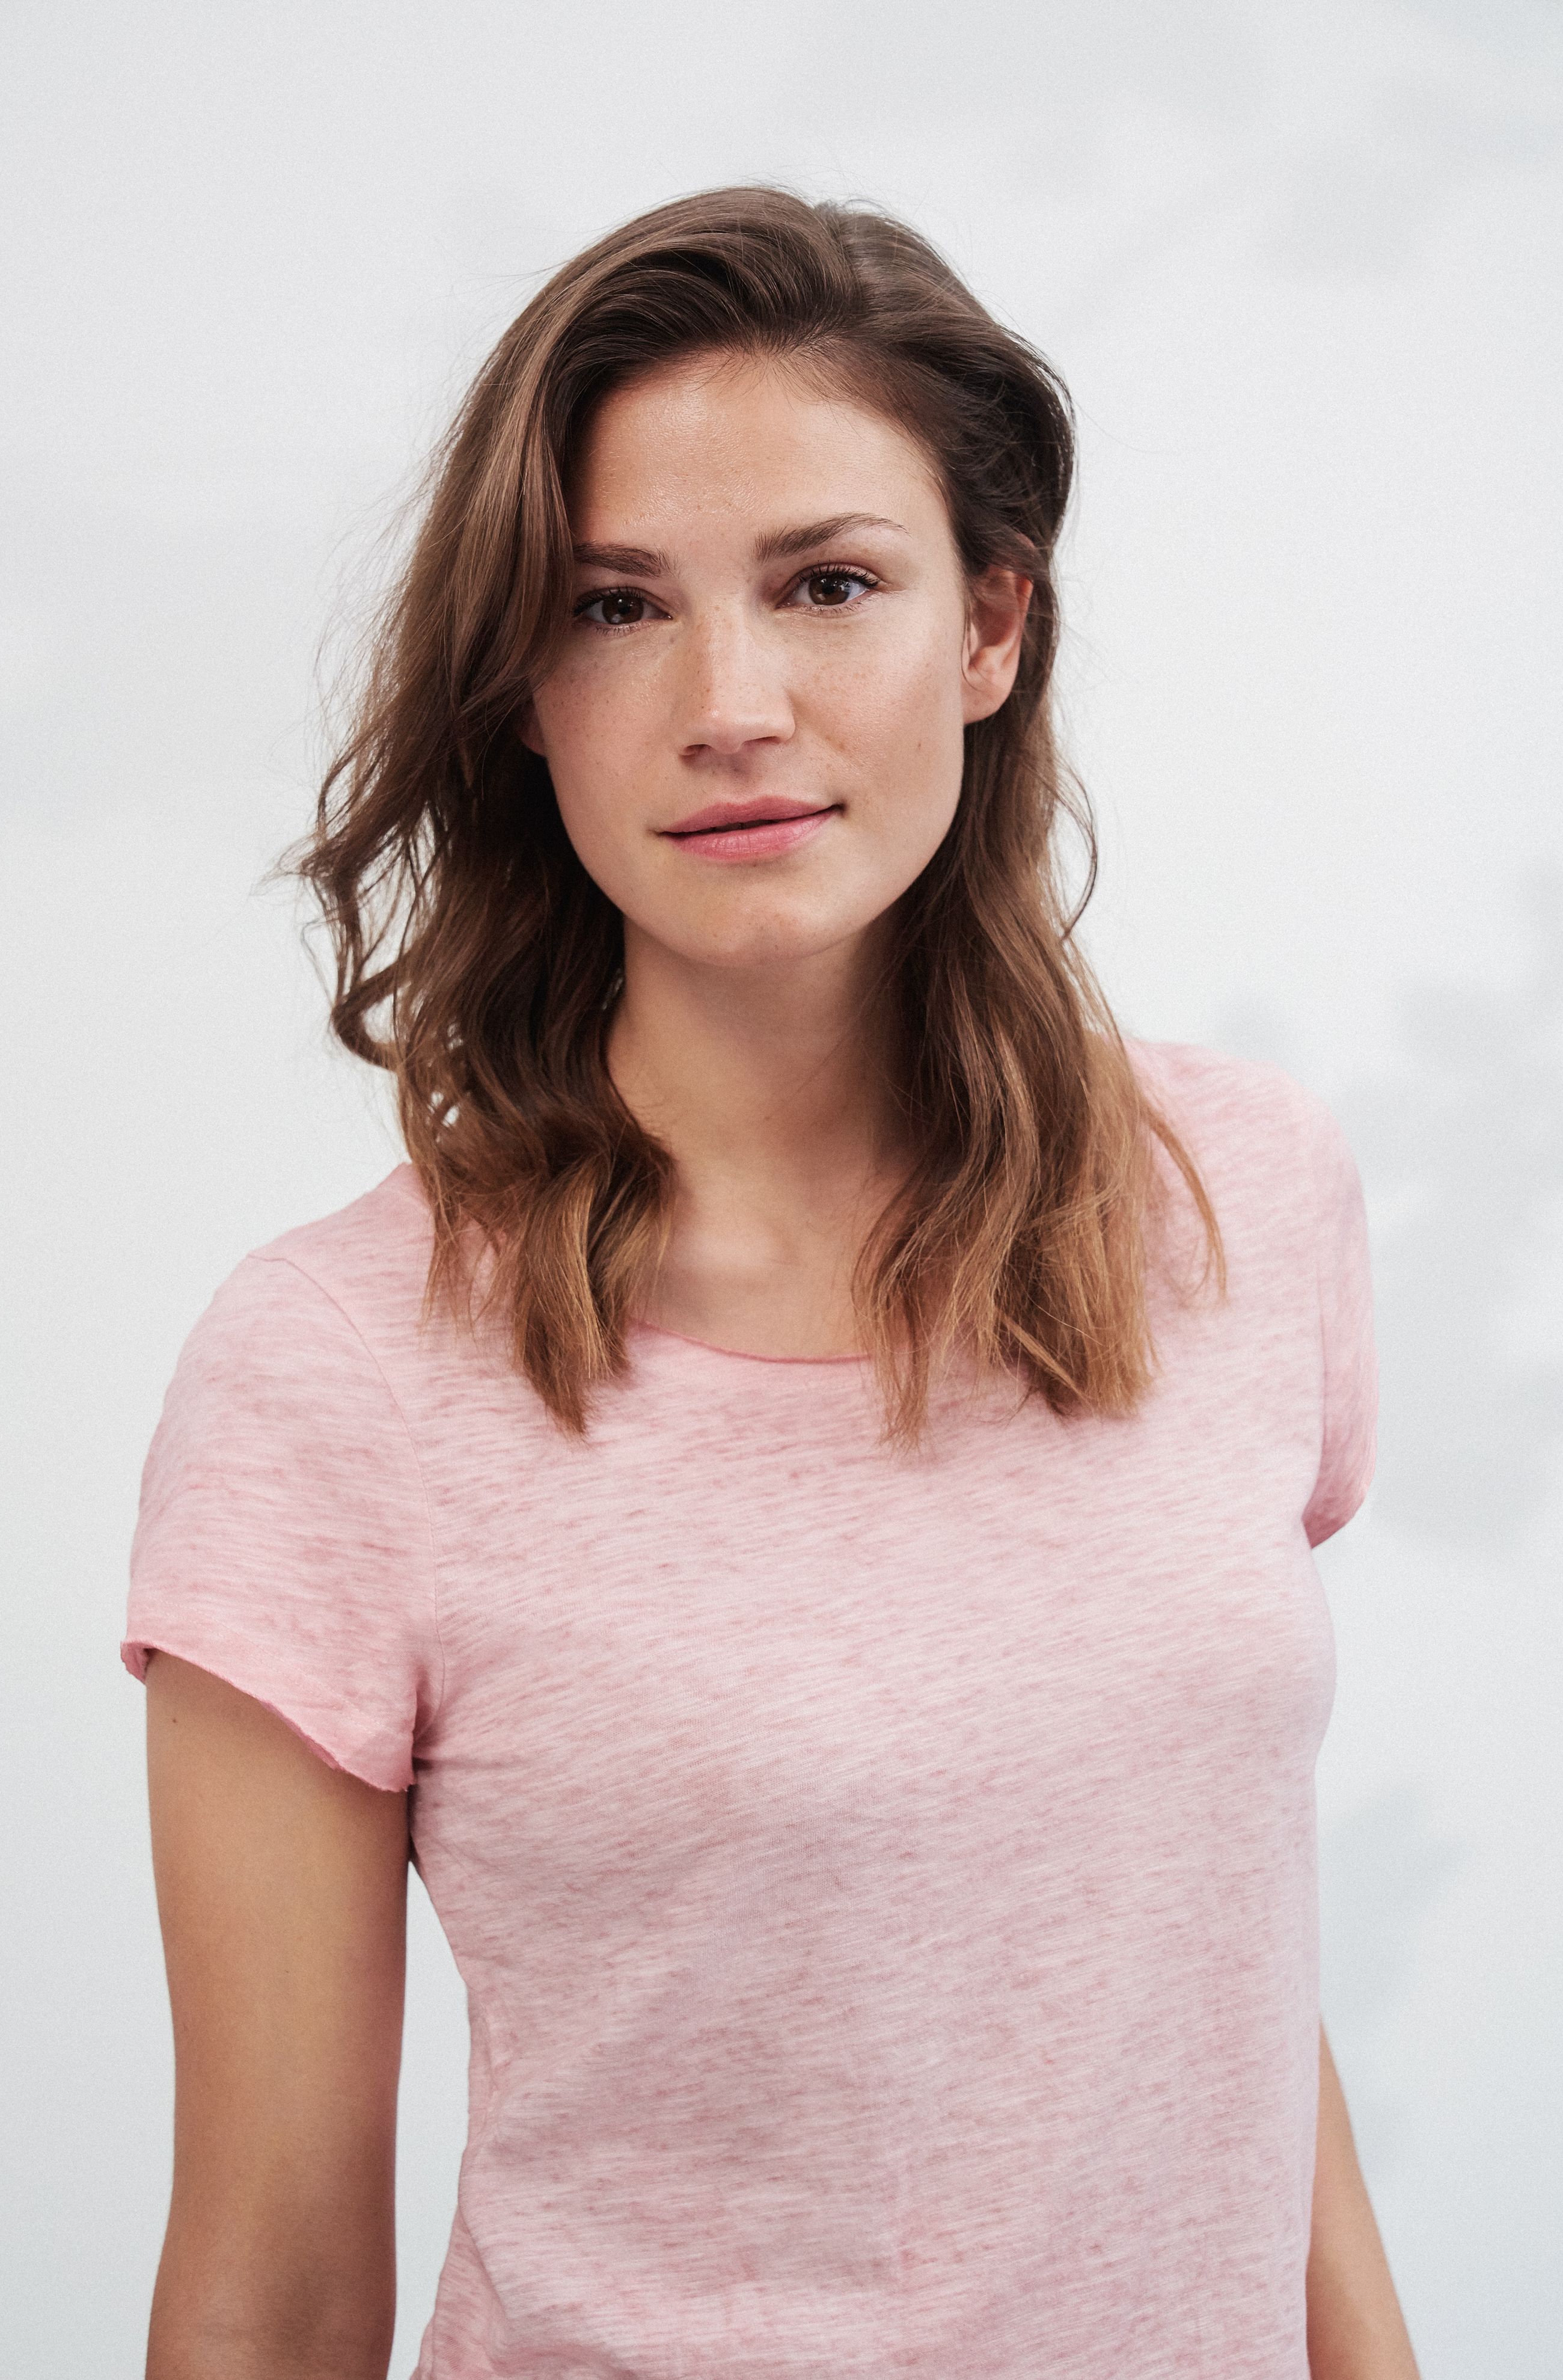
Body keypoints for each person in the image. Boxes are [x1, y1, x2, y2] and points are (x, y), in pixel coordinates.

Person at [124, 187, 1421, 2380]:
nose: (732, 705)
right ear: (525, 695)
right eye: (616, 607)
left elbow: (1202, 1959)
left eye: (829, 584)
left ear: (991, 628)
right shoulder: (336, 1372)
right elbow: (272, 2291)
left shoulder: (1239, 1202)